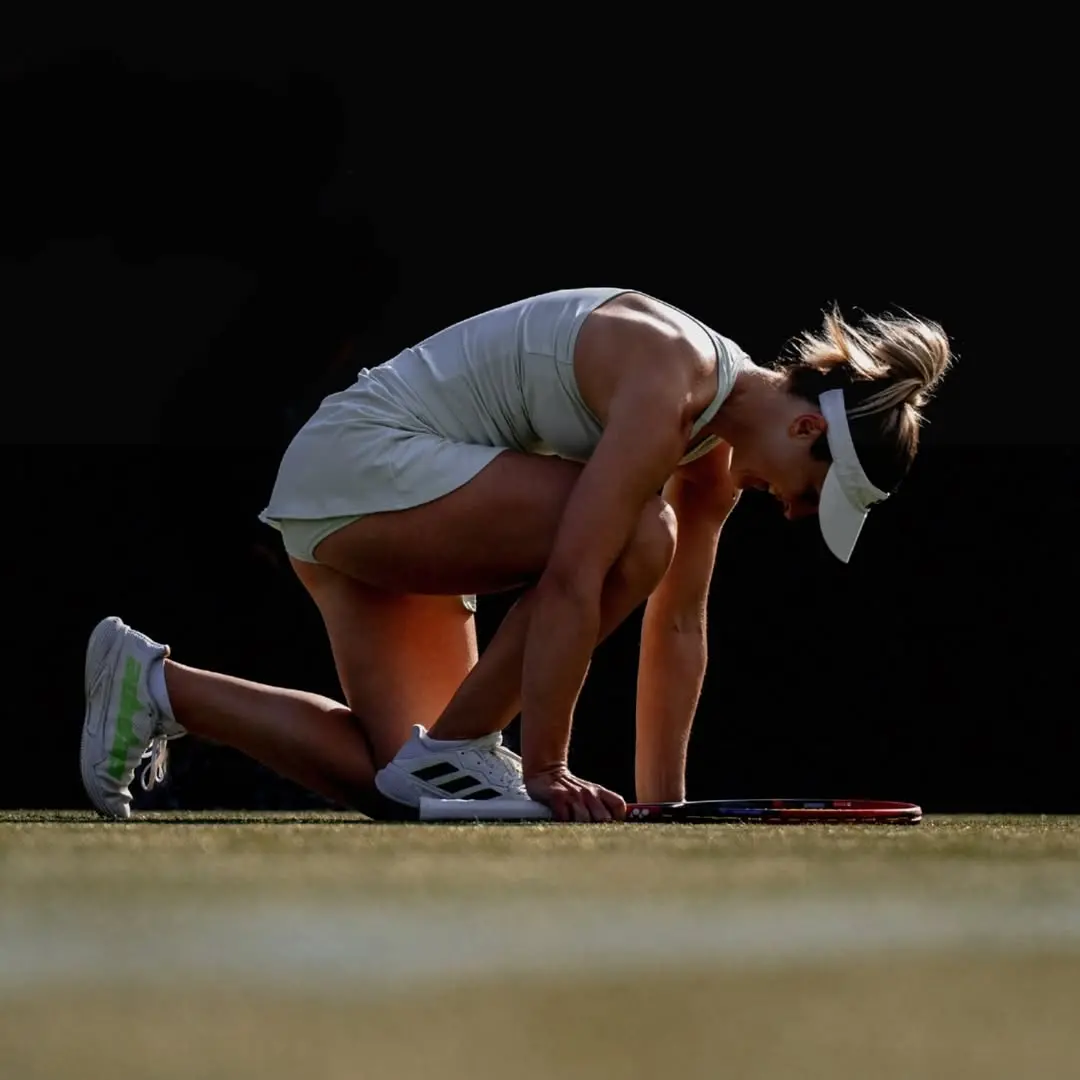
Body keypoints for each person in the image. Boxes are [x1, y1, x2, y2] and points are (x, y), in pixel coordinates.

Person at [80, 288, 953, 823]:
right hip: (363, 461)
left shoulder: (714, 457)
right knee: (640, 533)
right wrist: (545, 769)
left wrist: (663, 808)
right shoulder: (672, 374)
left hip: (385, 502)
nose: (799, 513)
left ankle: (152, 685)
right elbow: (578, 574)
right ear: (807, 428)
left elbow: (678, 624)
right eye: (813, 491)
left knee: (408, 787)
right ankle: (473, 754)